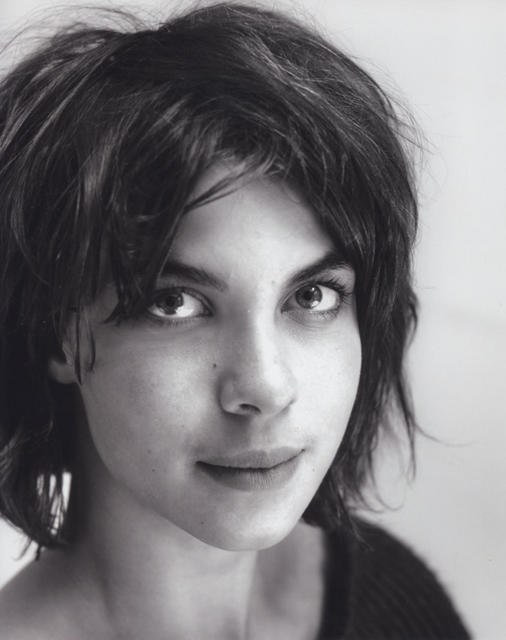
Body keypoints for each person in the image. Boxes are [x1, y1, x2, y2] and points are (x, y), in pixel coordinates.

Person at [0, 2, 470, 638]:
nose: (266, 387)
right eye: (175, 303)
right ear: (57, 331)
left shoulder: (392, 598)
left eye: (313, 297)